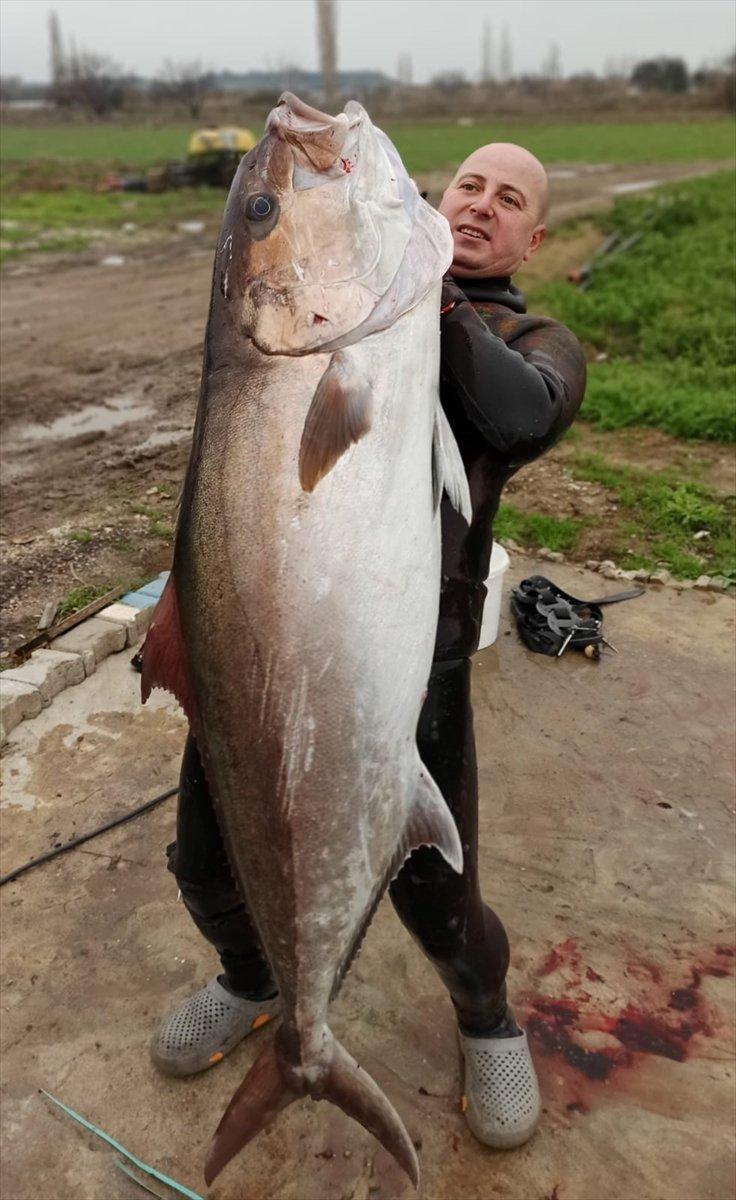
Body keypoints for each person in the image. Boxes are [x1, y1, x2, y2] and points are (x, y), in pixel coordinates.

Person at [151, 142, 586, 1151]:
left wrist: (421, 293)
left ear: (534, 236)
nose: (482, 206)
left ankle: (485, 1018)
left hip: (409, 674)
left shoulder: (529, 335)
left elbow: (518, 418)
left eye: (509, 199)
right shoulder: (327, 327)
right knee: (206, 869)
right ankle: (264, 985)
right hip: (256, 664)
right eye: (468, 185)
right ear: (437, 200)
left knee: (440, 904)